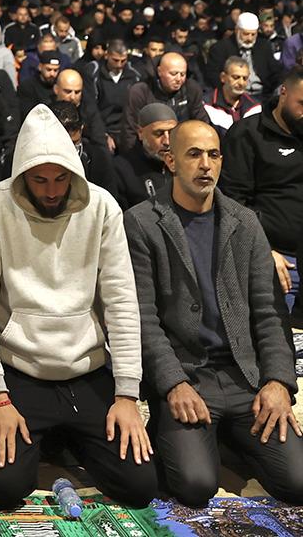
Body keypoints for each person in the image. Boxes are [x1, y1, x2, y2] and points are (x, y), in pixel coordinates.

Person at [0, 104, 156, 510]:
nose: (51, 190)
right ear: (21, 175)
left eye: (61, 179)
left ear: (74, 170)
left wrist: (127, 395)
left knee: (139, 485)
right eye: (39, 180)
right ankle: (43, 432)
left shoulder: (102, 207)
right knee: (5, 489)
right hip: (18, 370)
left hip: (86, 371)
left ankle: (66, 437)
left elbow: (121, 299)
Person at [124, 121, 303, 506]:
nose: (206, 164)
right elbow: (143, 318)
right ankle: (198, 434)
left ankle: (228, 435)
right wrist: (172, 384)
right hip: (188, 375)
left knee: (298, 481)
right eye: (194, 154)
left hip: (244, 375)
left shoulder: (246, 222)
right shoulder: (141, 222)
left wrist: (278, 383)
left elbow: (270, 313)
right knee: (194, 486)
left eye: (214, 154)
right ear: (170, 161)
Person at [221, 64, 303, 313]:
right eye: (302, 104)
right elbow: (233, 204)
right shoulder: (247, 135)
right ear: (284, 93)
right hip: (277, 259)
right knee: (280, 345)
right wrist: (263, 250)